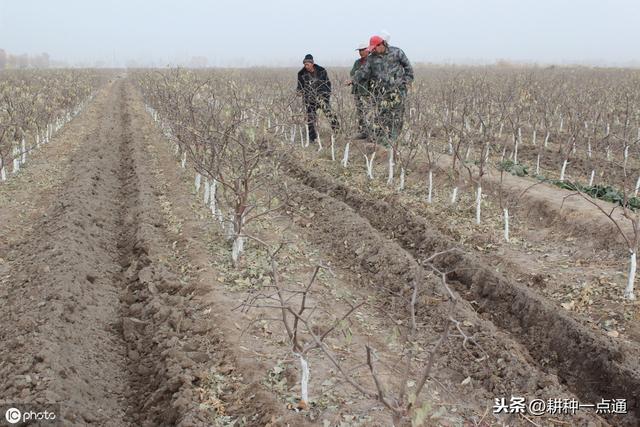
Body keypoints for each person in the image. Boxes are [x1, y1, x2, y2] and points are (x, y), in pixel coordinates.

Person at [354, 35, 413, 144]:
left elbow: (408, 67)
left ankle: (393, 139)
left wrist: (407, 81)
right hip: (381, 93)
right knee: (382, 115)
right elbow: (364, 72)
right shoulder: (371, 58)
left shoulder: (397, 52)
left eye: (375, 47)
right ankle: (381, 138)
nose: (374, 50)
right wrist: (354, 79)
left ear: (381, 44)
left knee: (397, 115)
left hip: (398, 91)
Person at [296, 54, 339, 143]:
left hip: (321, 97)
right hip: (309, 99)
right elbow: (299, 87)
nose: (306, 66)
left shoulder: (321, 71)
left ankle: (337, 131)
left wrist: (325, 97)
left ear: (312, 63)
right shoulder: (301, 73)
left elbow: (328, 84)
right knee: (311, 118)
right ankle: (312, 138)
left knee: (329, 113)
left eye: (307, 64)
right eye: (305, 64)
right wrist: (299, 91)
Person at [348, 42, 370, 139]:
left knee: (369, 112)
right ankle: (362, 132)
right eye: (359, 51)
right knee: (360, 111)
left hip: (367, 91)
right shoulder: (357, 62)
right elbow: (352, 73)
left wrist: (359, 74)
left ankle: (370, 132)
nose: (360, 52)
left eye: (362, 50)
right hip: (357, 91)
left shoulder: (372, 61)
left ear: (367, 50)